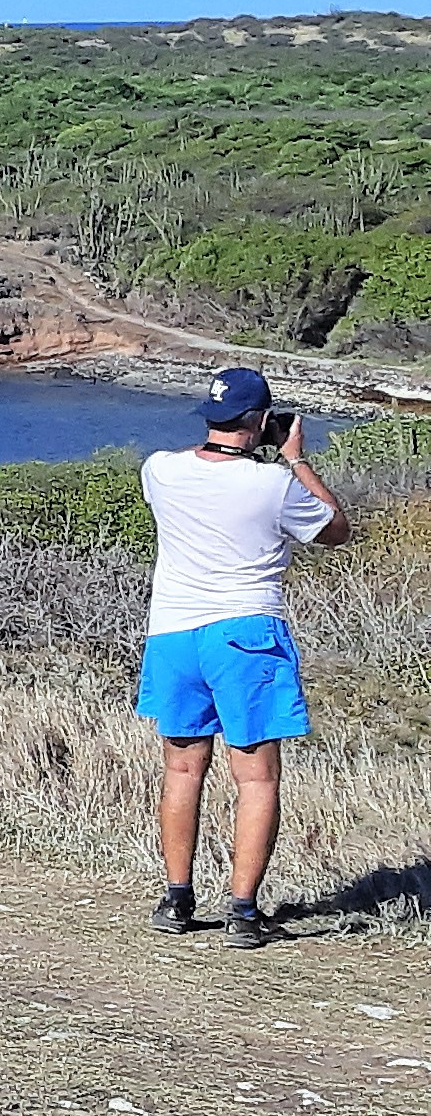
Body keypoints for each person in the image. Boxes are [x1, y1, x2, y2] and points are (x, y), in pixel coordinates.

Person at [140, 367, 353, 949]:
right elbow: (335, 529)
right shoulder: (271, 485)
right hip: (245, 633)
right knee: (255, 778)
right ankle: (242, 911)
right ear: (259, 421)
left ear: (209, 417)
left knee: (182, 767)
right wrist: (296, 460)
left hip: (174, 634)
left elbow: (197, 463)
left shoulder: (158, 470)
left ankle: (176, 899)